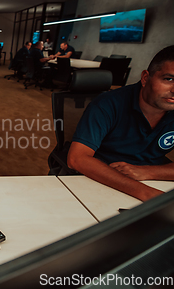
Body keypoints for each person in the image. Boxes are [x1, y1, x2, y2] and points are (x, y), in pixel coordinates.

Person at [67, 45, 174, 202]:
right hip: (101, 179)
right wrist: (148, 194)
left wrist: (147, 172)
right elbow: (77, 158)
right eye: (169, 79)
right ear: (145, 78)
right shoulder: (107, 104)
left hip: (152, 181)